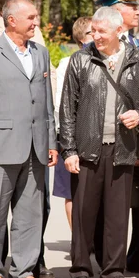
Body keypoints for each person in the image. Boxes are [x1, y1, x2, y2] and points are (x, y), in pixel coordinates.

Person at [60, 7, 139, 278]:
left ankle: (112, 272)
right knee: (84, 213)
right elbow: (67, 109)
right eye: (94, 31)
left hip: (123, 150)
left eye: (102, 31)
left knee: (117, 215)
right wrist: (68, 151)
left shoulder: (138, 61)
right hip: (87, 149)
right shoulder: (80, 60)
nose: (96, 36)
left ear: (119, 31)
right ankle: (81, 269)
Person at [0, 0, 57, 278]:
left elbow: (47, 102)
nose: (36, 22)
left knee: (31, 213)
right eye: (30, 17)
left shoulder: (41, 53)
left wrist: (51, 141)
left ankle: (22, 270)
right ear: (11, 21)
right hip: (0, 145)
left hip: (36, 145)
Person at [95, 0, 139, 274]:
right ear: (117, 11)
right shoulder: (94, 46)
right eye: (132, 6)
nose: (138, 11)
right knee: (107, 202)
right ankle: (104, 256)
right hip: (106, 139)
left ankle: (136, 255)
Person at [53, 16, 93, 229]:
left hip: (95, 139)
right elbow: (61, 103)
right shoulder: (67, 63)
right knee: (71, 192)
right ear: (80, 39)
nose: (95, 36)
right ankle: (76, 238)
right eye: (90, 33)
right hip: (71, 138)